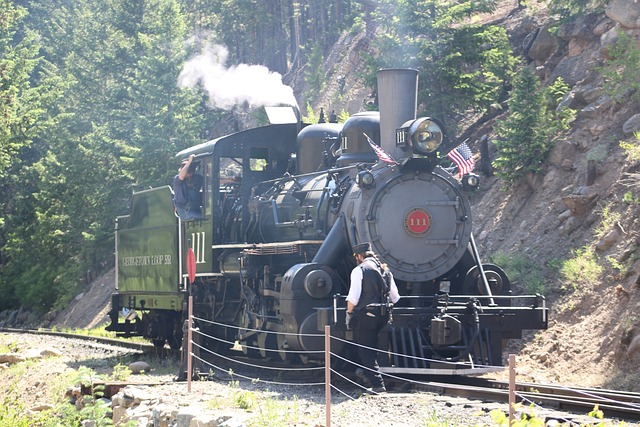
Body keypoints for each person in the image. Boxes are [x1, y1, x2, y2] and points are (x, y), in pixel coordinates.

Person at [345, 242, 400, 393]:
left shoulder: (359, 270)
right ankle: (366, 373)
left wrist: (349, 315)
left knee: (365, 349)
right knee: (372, 346)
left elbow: (353, 298)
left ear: (359, 256)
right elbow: (395, 297)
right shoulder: (386, 270)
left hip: (367, 314)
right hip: (383, 316)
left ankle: (377, 384)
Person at [172, 154, 204, 220]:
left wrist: (230, 180)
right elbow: (182, 175)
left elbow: (211, 179)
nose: (190, 174)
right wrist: (189, 161)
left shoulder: (197, 179)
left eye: (191, 172)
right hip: (185, 211)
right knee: (201, 218)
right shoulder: (177, 181)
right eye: (188, 172)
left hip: (196, 209)